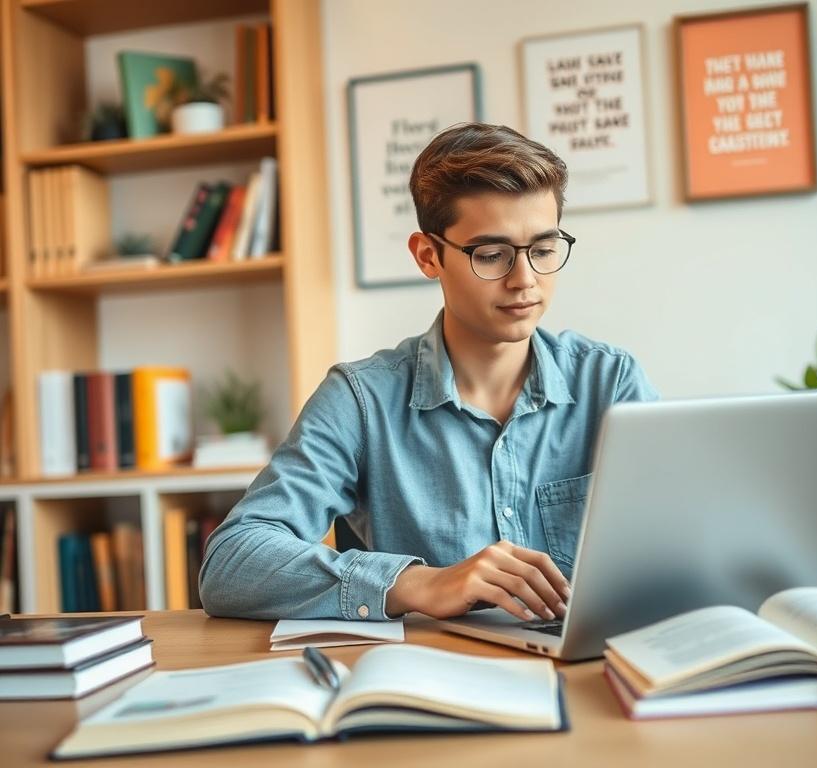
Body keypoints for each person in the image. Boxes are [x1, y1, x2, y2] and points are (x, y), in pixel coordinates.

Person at [199, 123, 658, 624]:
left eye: (544, 250)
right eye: (491, 255)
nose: (525, 280)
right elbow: (231, 563)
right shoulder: (361, 399)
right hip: (438, 683)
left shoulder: (610, 381)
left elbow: (684, 531)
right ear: (427, 255)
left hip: (589, 671)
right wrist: (419, 583)